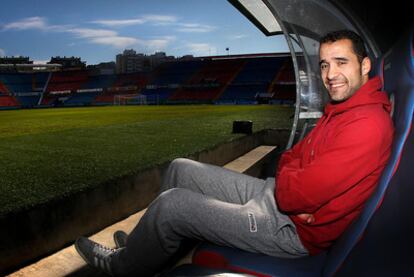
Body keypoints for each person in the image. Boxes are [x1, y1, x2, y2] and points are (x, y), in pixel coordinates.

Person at [74, 30, 394, 276]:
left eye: (341, 62)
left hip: (292, 231)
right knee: (180, 168)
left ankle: (122, 268)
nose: (330, 74)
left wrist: (293, 189)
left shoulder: (366, 124)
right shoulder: (343, 109)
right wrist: (292, 181)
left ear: (365, 65)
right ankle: (140, 249)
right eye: (325, 64)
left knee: (173, 205)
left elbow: (297, 196)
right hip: (278, 202)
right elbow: (291, 158)